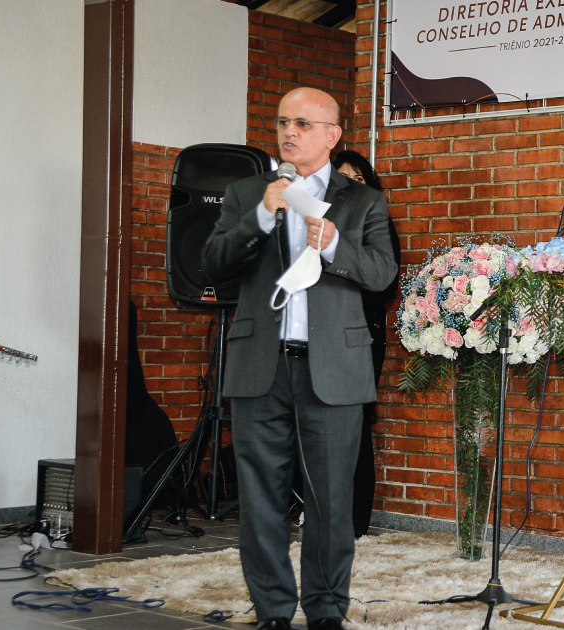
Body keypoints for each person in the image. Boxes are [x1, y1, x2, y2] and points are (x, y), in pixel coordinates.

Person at [202, 87, 396, 630]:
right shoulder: (247, 193)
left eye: (304, 124)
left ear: (333, 136)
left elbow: (382, 276)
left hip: (332, 369)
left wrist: (335, 244)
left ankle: (327, 609)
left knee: (331, 501)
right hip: (260, 368)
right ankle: (272, 610)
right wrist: (261, 219)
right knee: (260, 499)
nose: (290, 132)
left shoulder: (363, 202)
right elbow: (212, 265)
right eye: (283, 121)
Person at [331, 149, 402, 537]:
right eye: (342, 178)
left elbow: (385, 285)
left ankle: (356, 521)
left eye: (357, 179)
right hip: (319, 338)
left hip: (361, 336)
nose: (350, 185)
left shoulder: (377, 221)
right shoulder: (317, 219)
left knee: (354, 427)